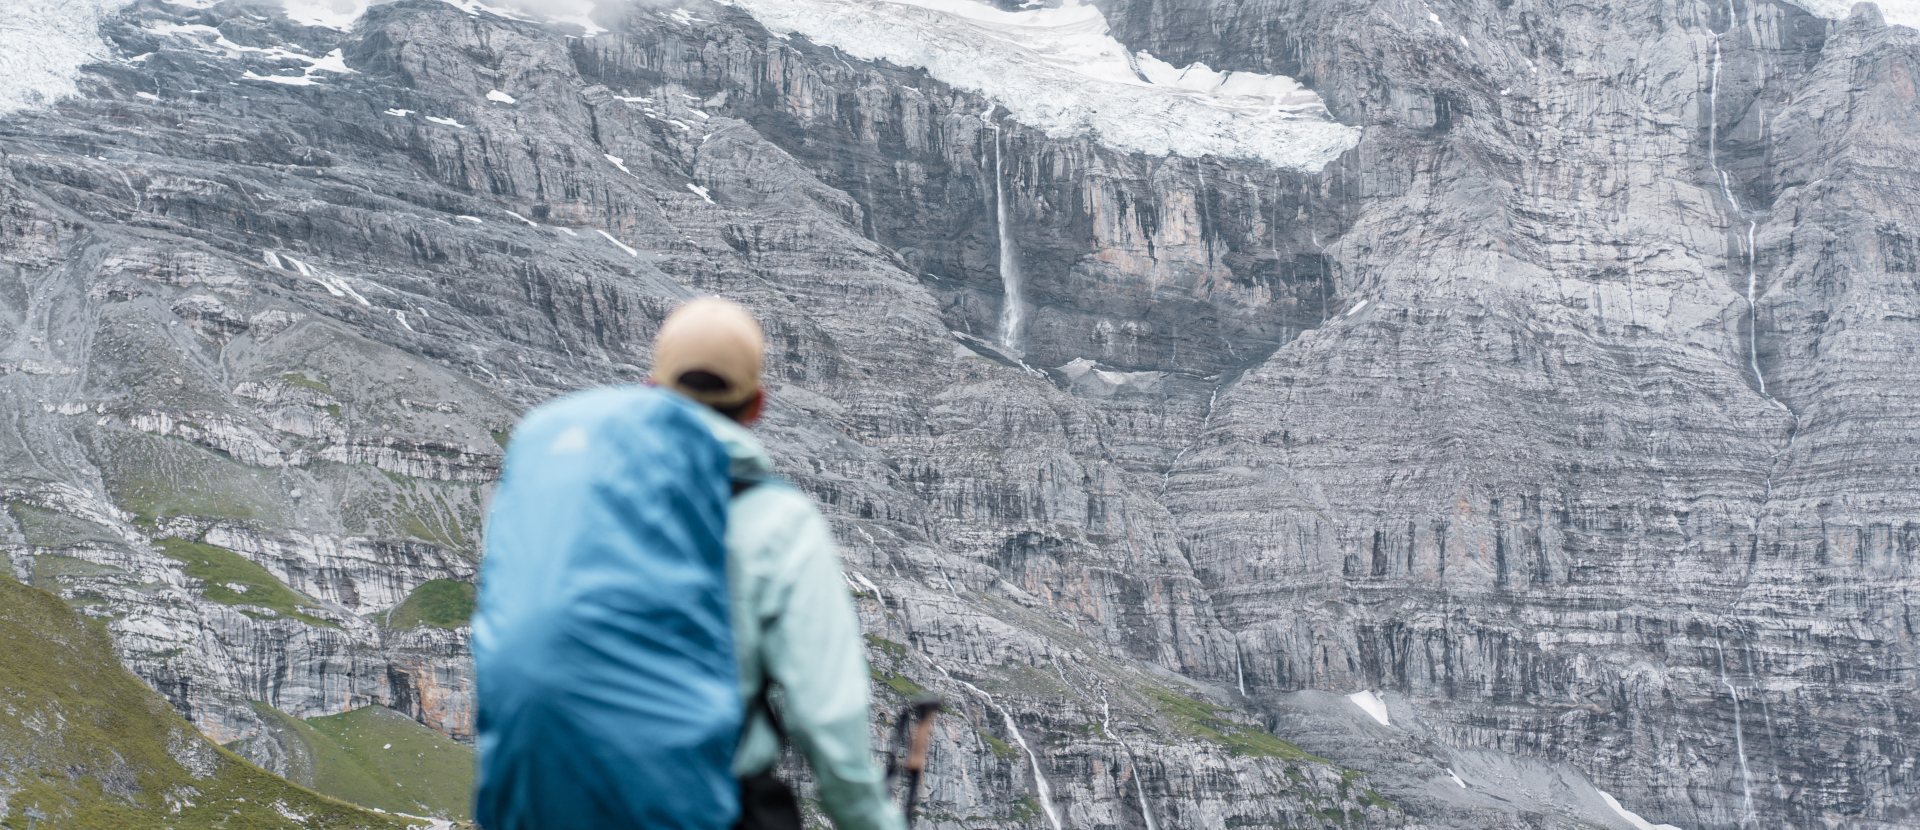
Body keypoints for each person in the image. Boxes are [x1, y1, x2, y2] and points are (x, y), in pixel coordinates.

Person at [651, 297, 907, 830]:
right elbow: (825, 712)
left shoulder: (575, 494)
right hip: (706, 805)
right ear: (757, 406)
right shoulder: (778, 521)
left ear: (651, 393)